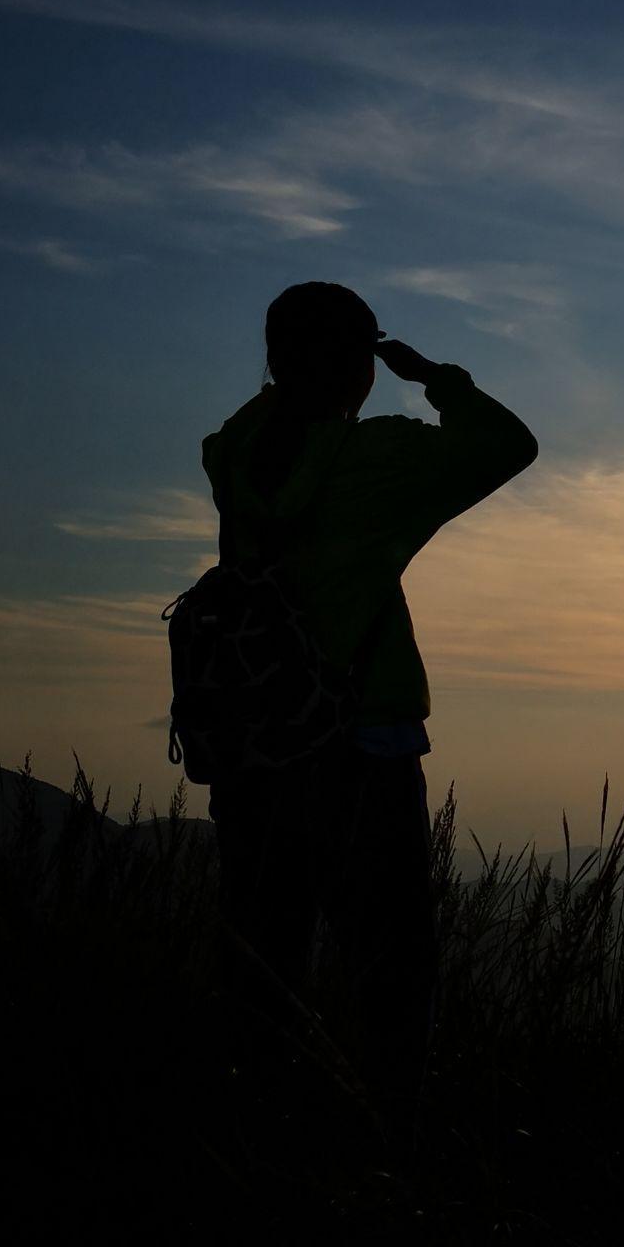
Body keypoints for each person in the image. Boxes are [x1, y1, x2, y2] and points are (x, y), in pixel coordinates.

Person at [200, 280, 537, 1112]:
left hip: (255, 745)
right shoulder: (377, 459)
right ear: (362, 366)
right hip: (362, 750)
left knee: (262, 957)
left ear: (274, 361)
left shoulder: (232, 455)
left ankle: (248, 1134)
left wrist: (298, 378)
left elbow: (269, 415)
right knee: (391, 969)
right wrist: (433, 377)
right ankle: (386, 1150)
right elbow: (507, 446)